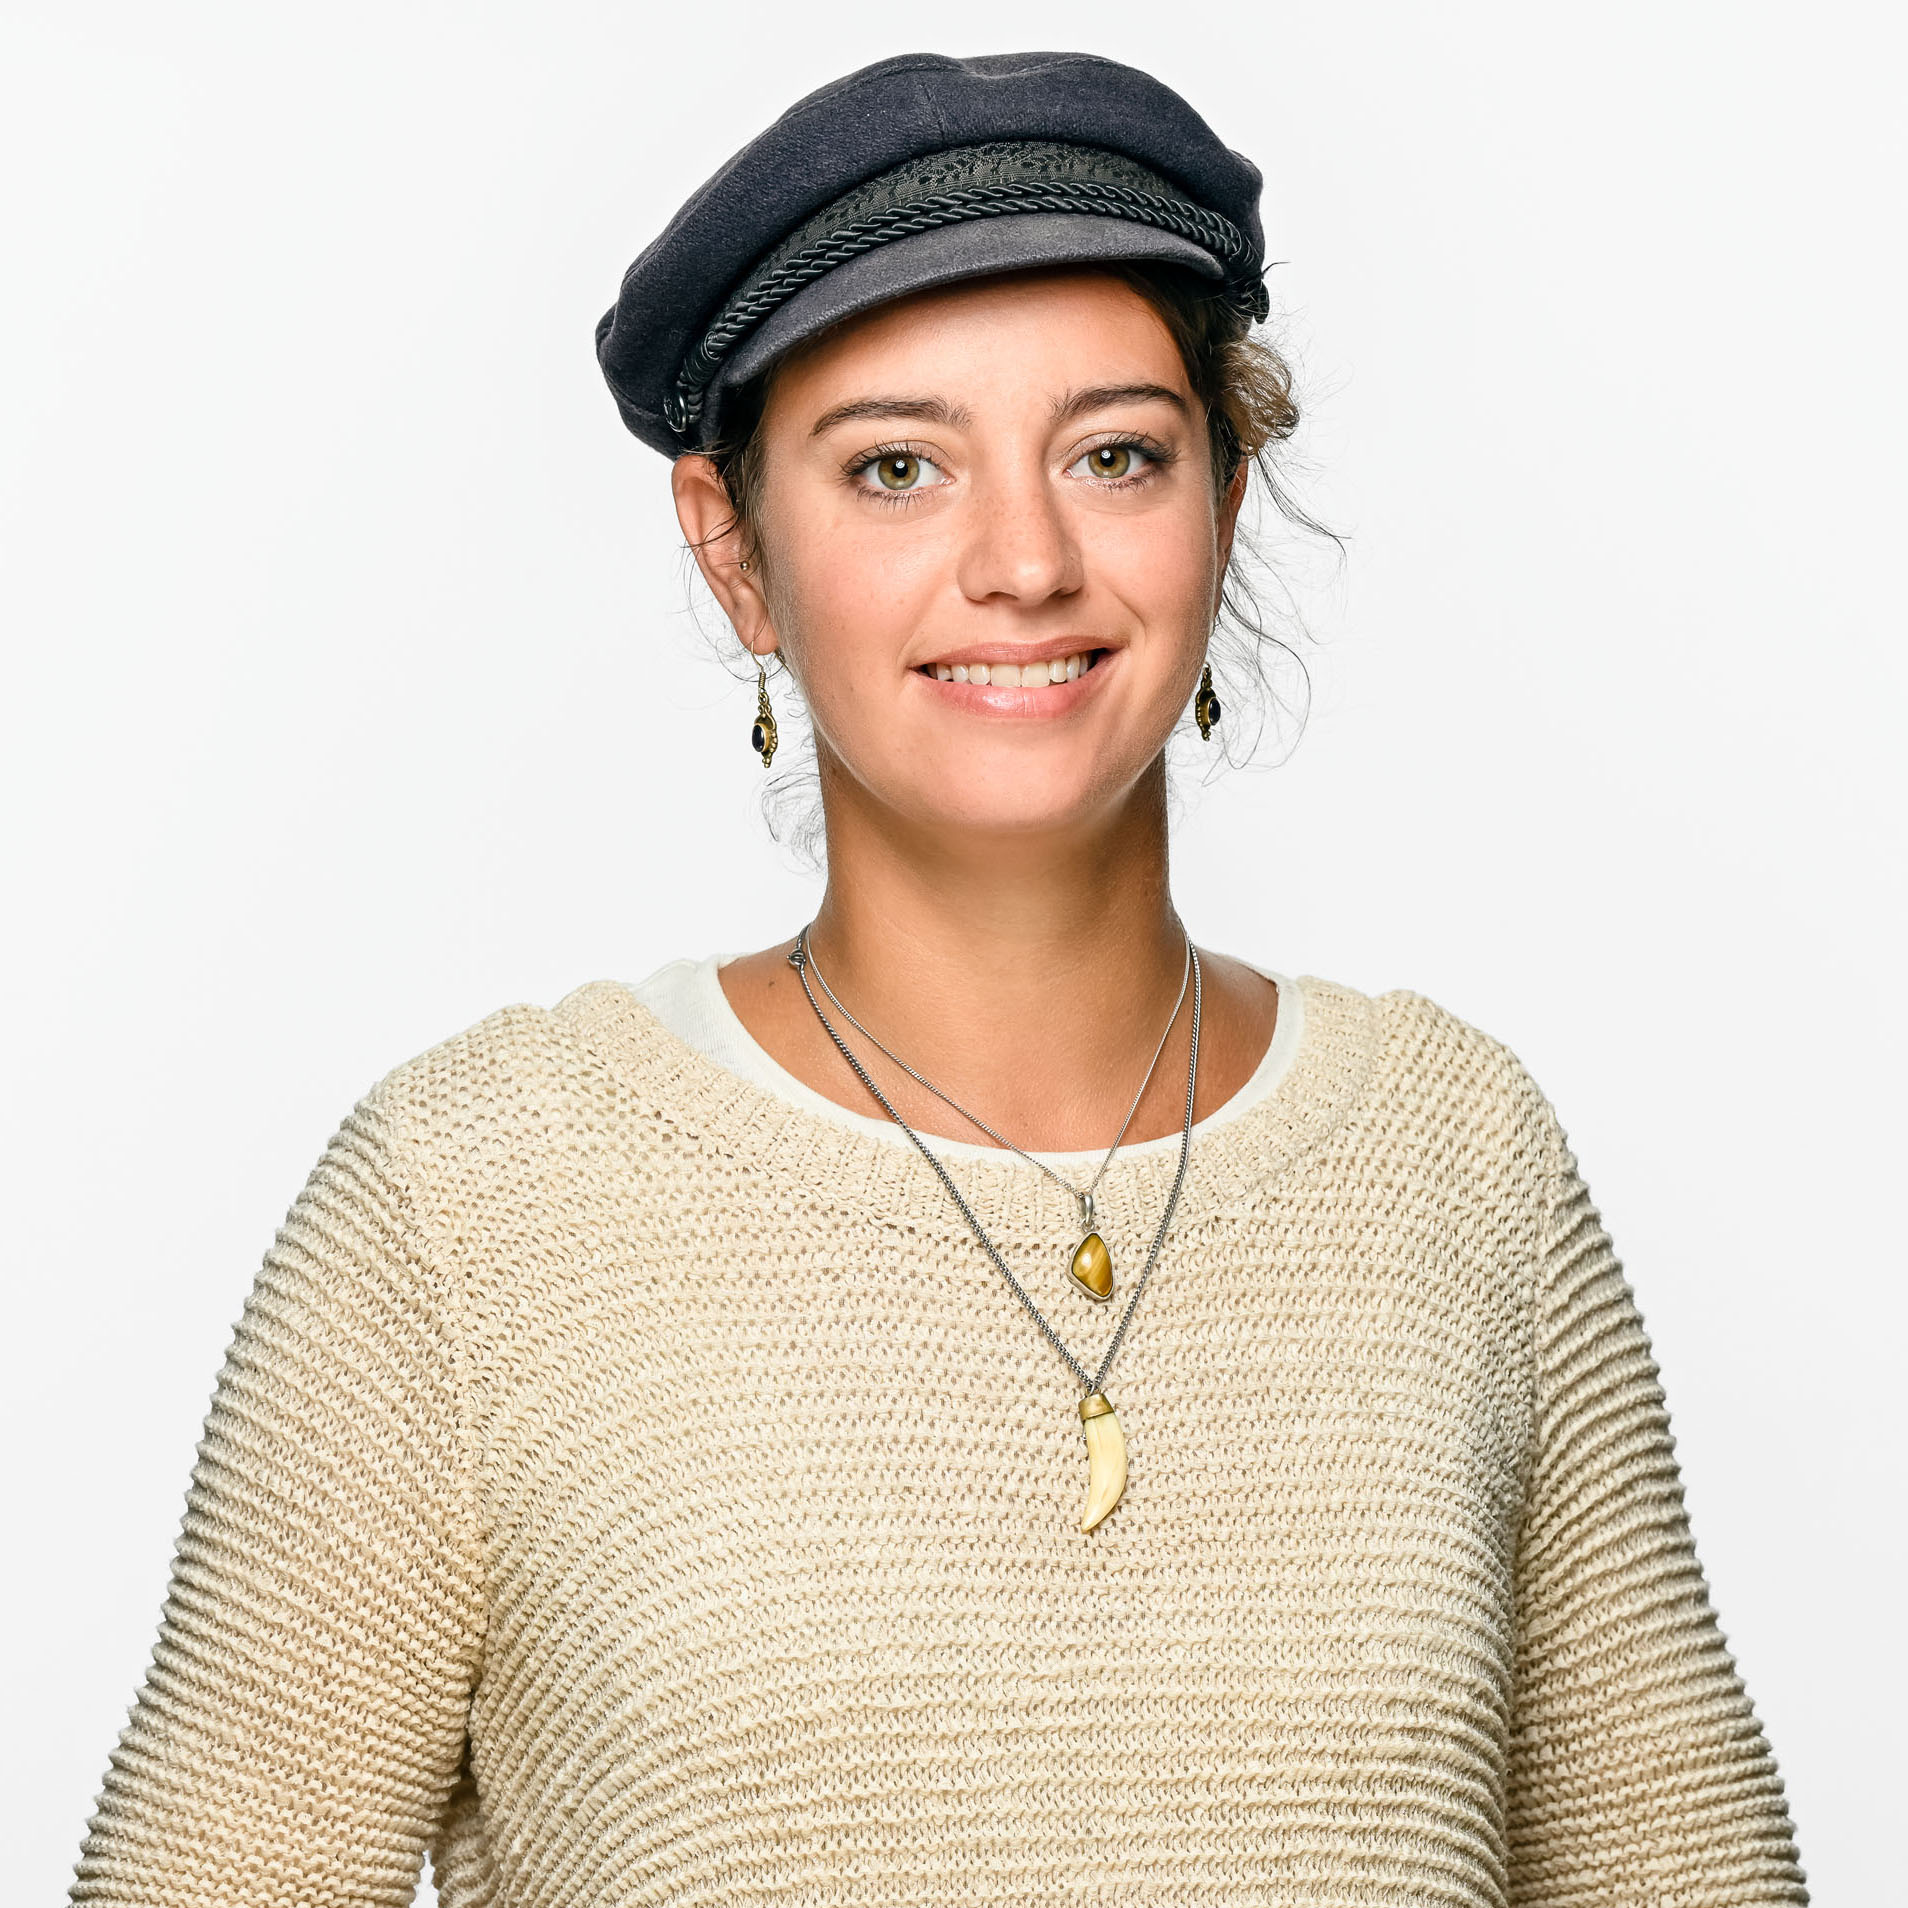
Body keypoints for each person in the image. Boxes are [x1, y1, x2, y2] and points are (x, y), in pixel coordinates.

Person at [69, 49, 1810, 1906]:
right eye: (897, 468)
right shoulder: (468, 1205)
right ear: (735, 550)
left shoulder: (1460, 1165)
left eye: (1115, 454)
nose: (1025, 562)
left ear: (1224, 501)